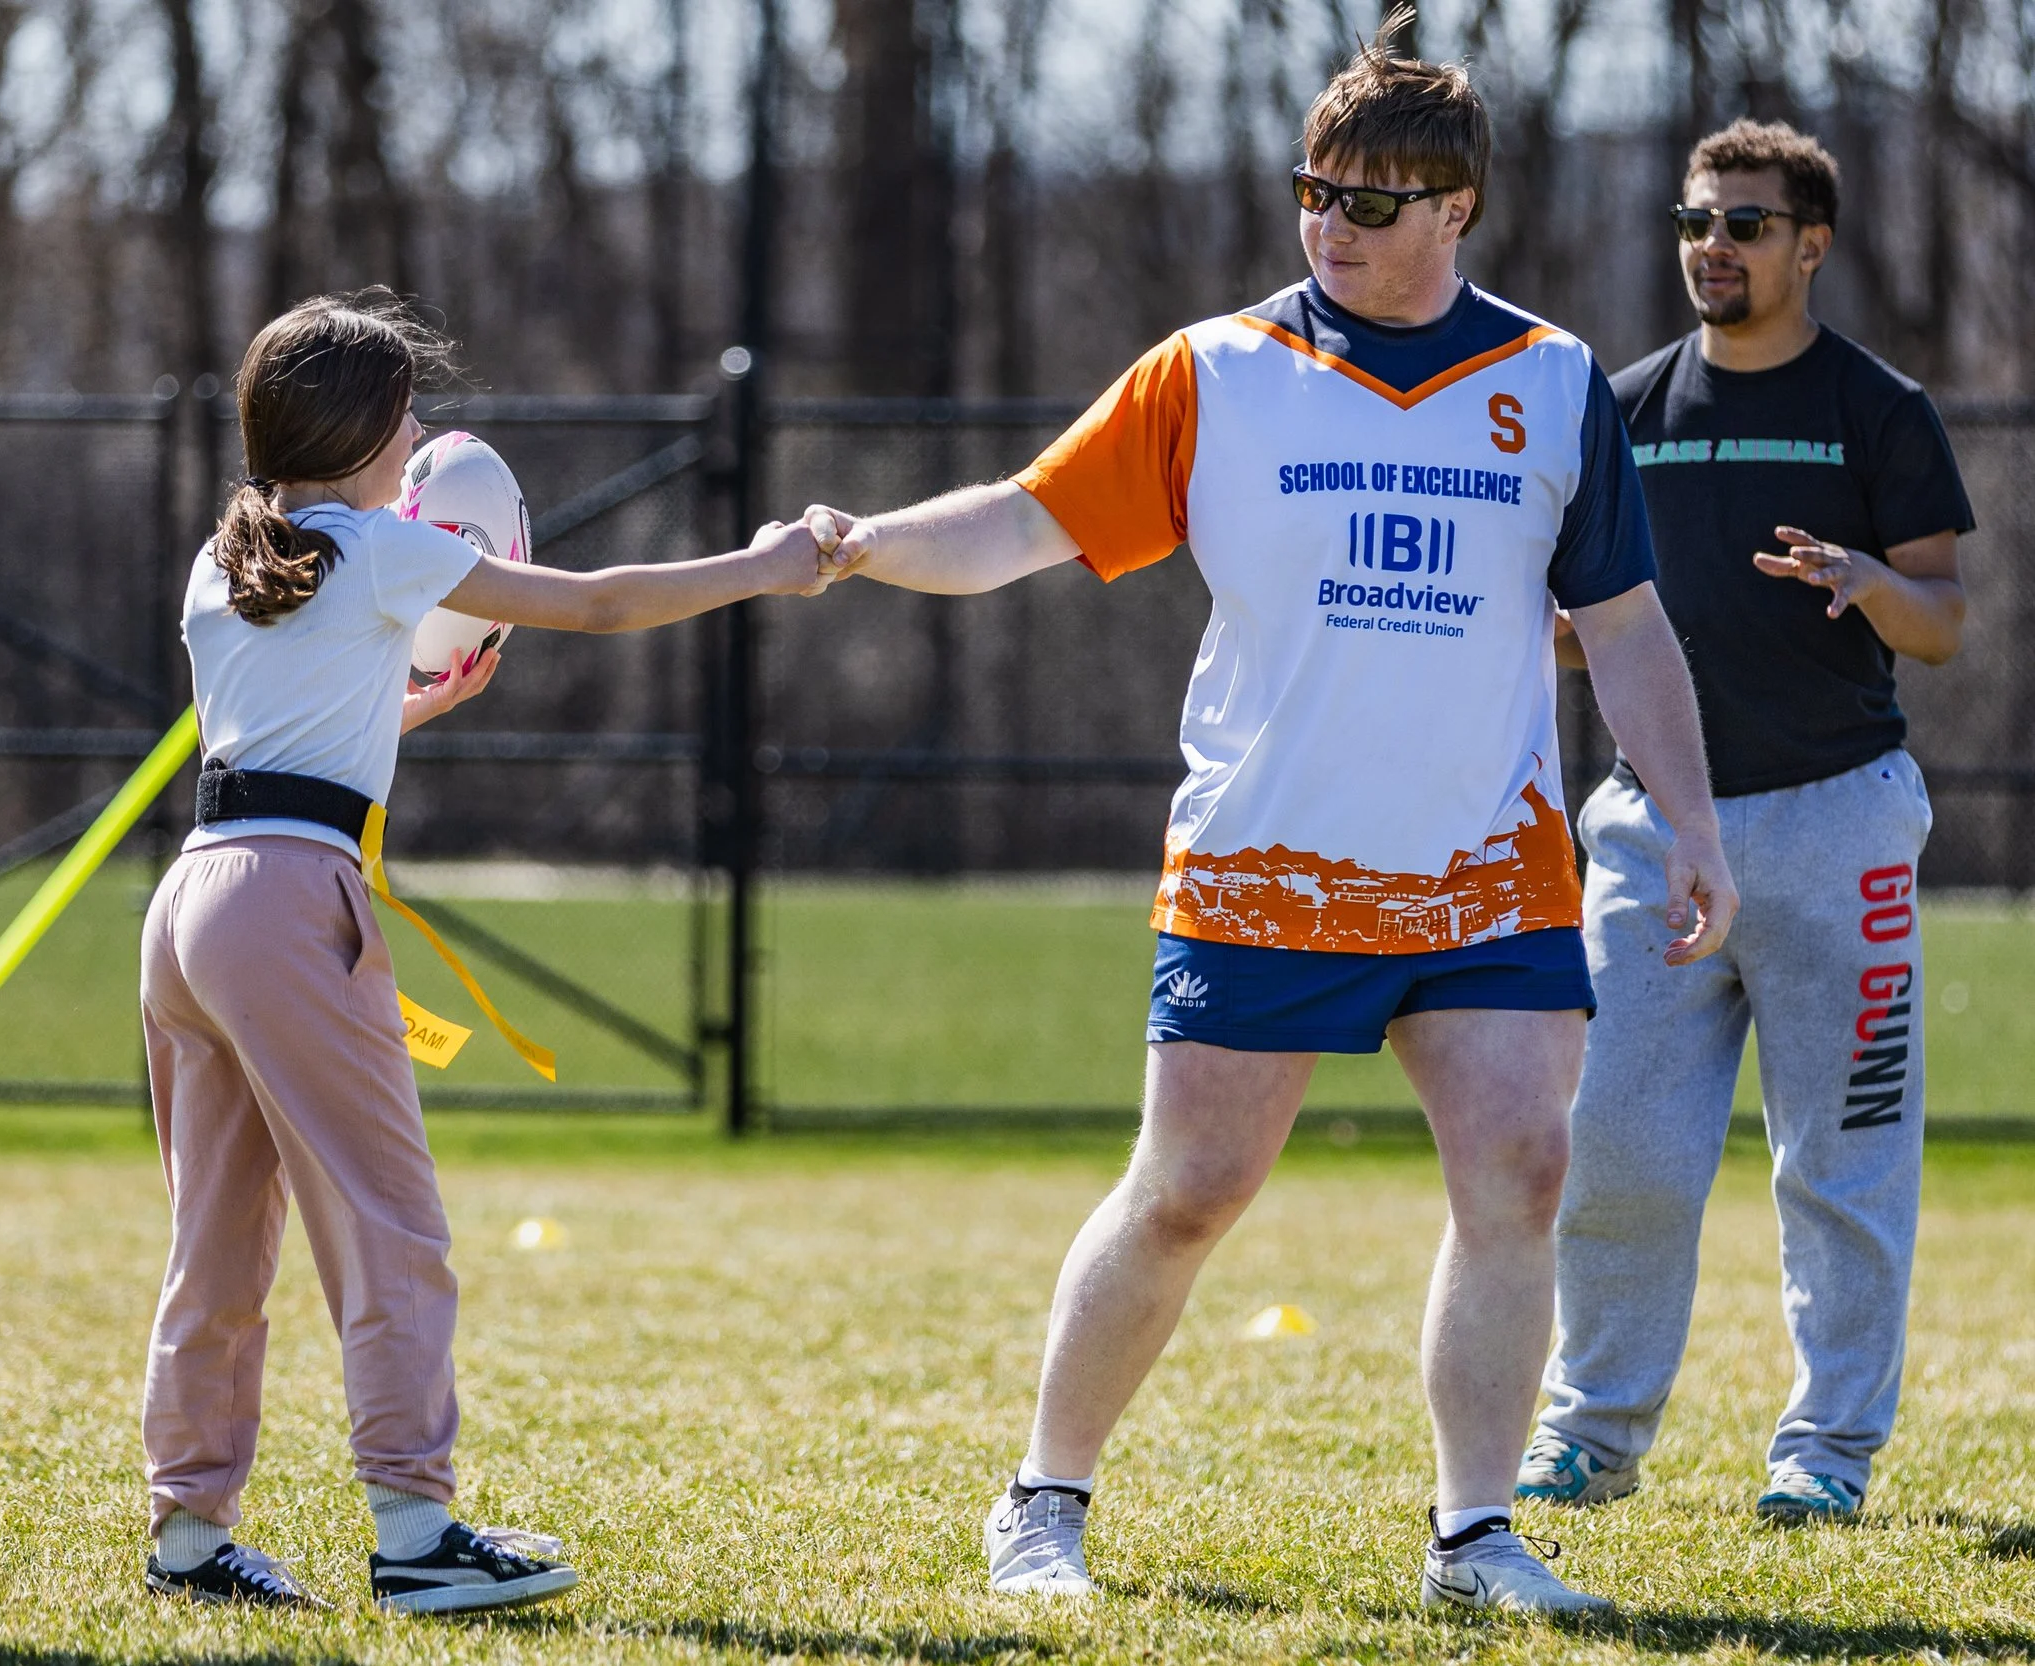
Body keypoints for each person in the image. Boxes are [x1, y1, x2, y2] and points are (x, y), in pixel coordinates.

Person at [804, 21, 1736, 1614]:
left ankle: (1475, 1534)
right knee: (1190, 1191)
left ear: (1459, 210)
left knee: (1520, 1172)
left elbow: (1629, 624)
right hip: (1265, 859)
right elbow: (1026, 520)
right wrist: (864, 538)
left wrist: (1692, 820)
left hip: (1486, 867)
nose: (1332, 225)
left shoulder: (1555, 381)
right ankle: (1042, 1500)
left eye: (1372, 202)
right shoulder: (1213, 372)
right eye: (1315, 192)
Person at [137, 290, 830, 1615]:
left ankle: (187, 1530)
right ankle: (413, 1529)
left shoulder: (225, 560)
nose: (420, 442)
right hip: (292, 901)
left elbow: (292, 732)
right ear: (359, 436)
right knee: (390, 1222)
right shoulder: (385, 551)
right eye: (405, 419)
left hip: (191, 902)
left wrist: (416, 701)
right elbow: (608, 604)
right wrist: (765, 563)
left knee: (216, 1238)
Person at [1519, 120, 1972, 1526]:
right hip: (1655, 836)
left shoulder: (1878, 408)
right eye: (1697, 220)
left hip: (1840, 825)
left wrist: (1861, 577)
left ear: (1811, 244)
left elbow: (1944, 623)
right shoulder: (1627, 405)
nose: (1713, 245)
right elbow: (1590, 623)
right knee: (1618, 1148)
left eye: (1748, 224)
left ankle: (1826, 1450)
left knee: (1844, 1158)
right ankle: (1591, 1430)